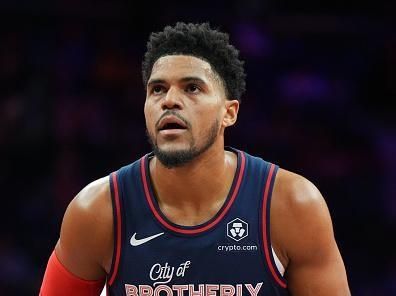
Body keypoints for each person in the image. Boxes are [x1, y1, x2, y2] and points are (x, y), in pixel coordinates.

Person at [40, 22, 350, 296]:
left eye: (192, 88)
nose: (170, 100)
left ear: (229, 112)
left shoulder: (290, 205)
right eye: (157, 89)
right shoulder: (97, 210)